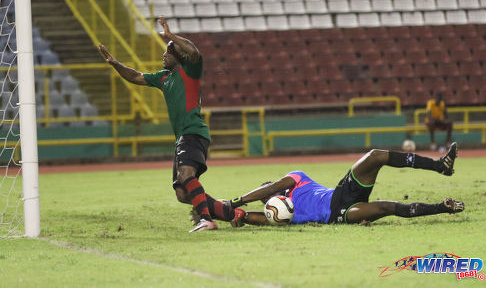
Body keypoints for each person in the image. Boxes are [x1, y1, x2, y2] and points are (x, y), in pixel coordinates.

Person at [99, 16, 244, 232]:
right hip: (182, 137)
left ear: (178, 56)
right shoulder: (164, 78)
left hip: (193, 132)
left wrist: (170, 36)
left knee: (186, 175)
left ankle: (206, 220)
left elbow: (194, 52)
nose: (163, 56)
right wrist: (114, 63)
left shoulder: (190, 71)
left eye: (167, 52)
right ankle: (233, 214)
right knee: (183, 194)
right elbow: (136, 77)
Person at [213, 142, 463, 227]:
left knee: (376, 155)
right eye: (267, 199)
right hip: (340, 215)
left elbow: (269, 188)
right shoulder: (280, 214)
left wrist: (237, 200)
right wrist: (234, 213)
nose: (270, 194)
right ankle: (443, 207)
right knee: (387, 207)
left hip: (342, 193)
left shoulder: (297, 178)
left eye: (271, 190)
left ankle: (440, 165)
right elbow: (250, 218)